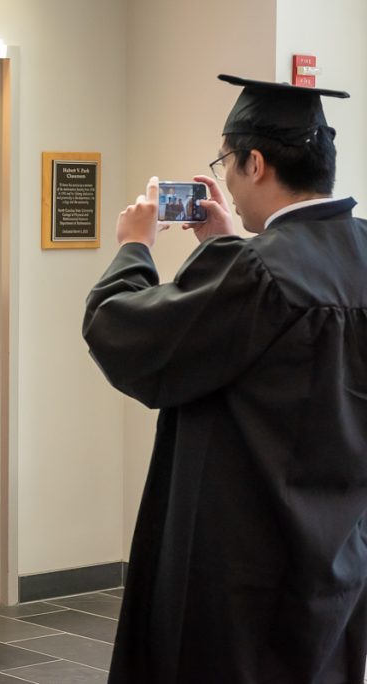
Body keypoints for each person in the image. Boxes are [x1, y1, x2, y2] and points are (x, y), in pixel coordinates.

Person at [83, 74, 366, 683]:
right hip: (338, 553)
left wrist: (135, 248)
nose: (230, 183)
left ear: (256, 162)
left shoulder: (257, 273)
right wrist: (224, 246)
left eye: (227, 163)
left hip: (243, 562)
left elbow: (124, 336)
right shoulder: (355, 253)